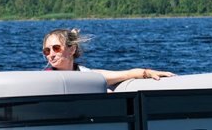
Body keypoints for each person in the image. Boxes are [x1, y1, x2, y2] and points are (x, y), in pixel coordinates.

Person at [41, 28, 174, 87]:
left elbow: (125, 74)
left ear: (72, 49)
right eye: (47, 51)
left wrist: (147, 73)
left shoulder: (87, 76)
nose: (51, 54)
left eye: (56, 48)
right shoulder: (43, 79)